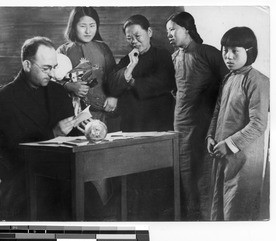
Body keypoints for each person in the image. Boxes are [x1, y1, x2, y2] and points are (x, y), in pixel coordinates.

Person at [0, 36, 77, 220]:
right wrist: (53, 133)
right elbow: (12, 147)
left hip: (60, 167)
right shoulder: (5, 97)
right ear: (27, 65)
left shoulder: (58, 91)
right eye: (46, 68)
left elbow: (73, 131)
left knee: (83, 189)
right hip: (23, 172)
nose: (52, 74)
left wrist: (89, 128)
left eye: (54, 67)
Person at [108, 14, 175, 220]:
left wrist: (132, 83)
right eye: (129, 38)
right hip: (132, 124)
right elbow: (113, 84)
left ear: (150, 33)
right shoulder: (126, 59)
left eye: (138, 36)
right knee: (134, 175)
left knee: (156, 174)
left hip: (157, 121)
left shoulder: (162, 55)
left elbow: (164, 83)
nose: (134, 41)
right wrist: (129, 68)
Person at [166, 12, 228, 220]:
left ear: (187, 29)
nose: (169, 34)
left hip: (203, 125)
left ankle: (206, 222)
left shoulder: (207, 52)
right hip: (179, 125)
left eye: (172, 29)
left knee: (202, 175)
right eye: (167, 31)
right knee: (184, 176)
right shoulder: (175, 56)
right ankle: (190, 221)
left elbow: (227, 83)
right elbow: (178, 88)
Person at [207, 27, 269, 221]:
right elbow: (217, 112)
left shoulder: (257, 81)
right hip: (222, 156)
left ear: (249, 52)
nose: (228, 56)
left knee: (236, 213)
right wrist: (210, 136)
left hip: (244, 160)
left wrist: (229, 144)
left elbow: (258, 123)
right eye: (225, 50)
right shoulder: (227, 78)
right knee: (219, 211)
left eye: (235, 51)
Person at [57, 7, 117, 125]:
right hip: (72, 113)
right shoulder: (63, 51)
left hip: (102, 110)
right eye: (83, 26)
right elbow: (53, 81)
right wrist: (69, 86)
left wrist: (113, 96)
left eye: (92, 25)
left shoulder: (103, 48)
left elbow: (113, 75)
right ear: (73, 26)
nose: (88, 31)